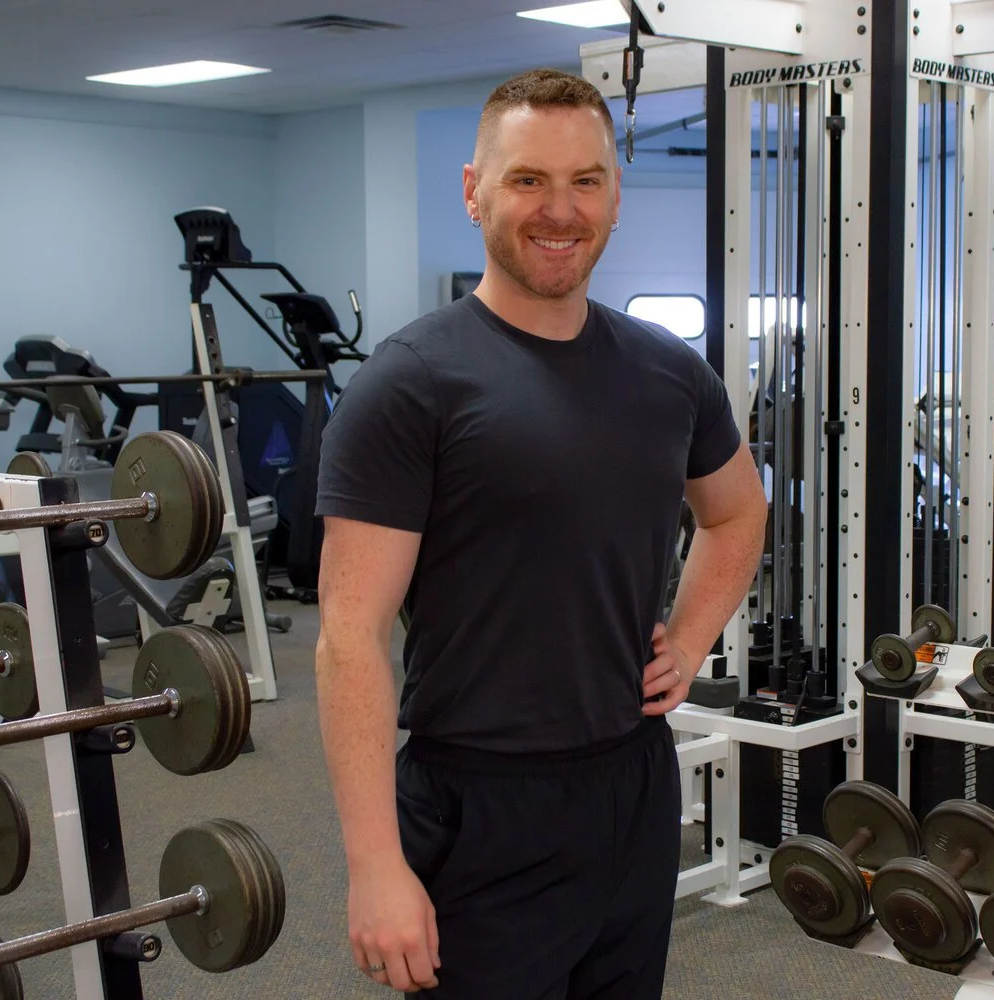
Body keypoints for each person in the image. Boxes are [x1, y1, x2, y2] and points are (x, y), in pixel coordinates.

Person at [314, 68, 766, 999]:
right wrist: (375, 864)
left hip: (633, 787)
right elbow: (348, 641)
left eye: (586, 181)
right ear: (475, 189)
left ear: (614, 196)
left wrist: (687, 640)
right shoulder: (411, 384)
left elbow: (736, 511)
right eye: (528, 180)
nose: (559, 210)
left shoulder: (670, 374)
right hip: (481, 800)